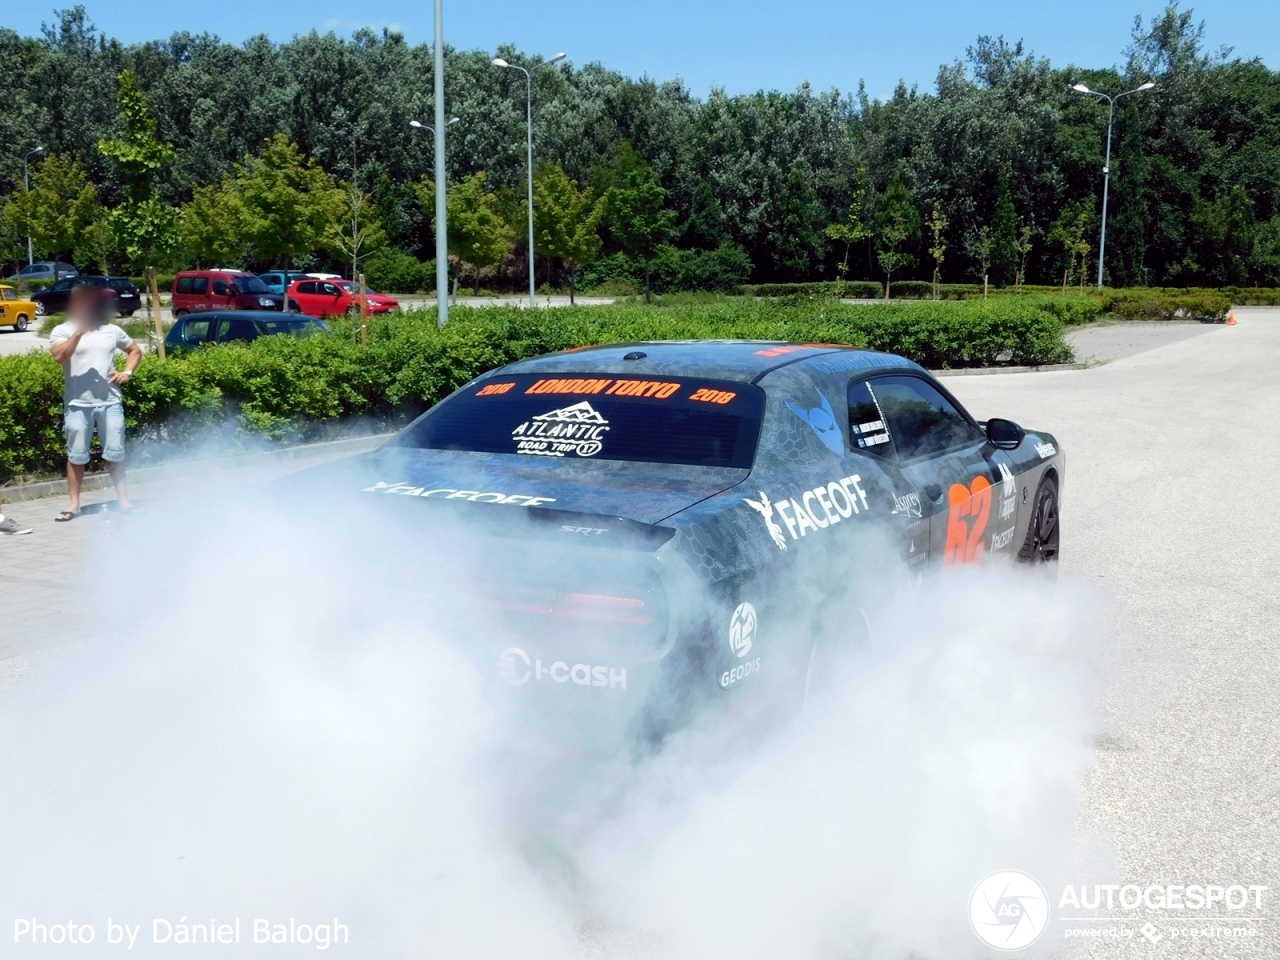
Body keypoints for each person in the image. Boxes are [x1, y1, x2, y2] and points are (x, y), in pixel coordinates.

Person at [48, 284, 142, 521]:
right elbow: (60, 356)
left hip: (110, 403)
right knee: (77, 455)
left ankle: (124, 501)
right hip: (78, 405)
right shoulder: (63, 330)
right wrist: (79, 333)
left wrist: (127, 373)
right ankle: (74, 505)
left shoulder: (111, 330)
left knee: (115, 453)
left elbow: (135, 351)